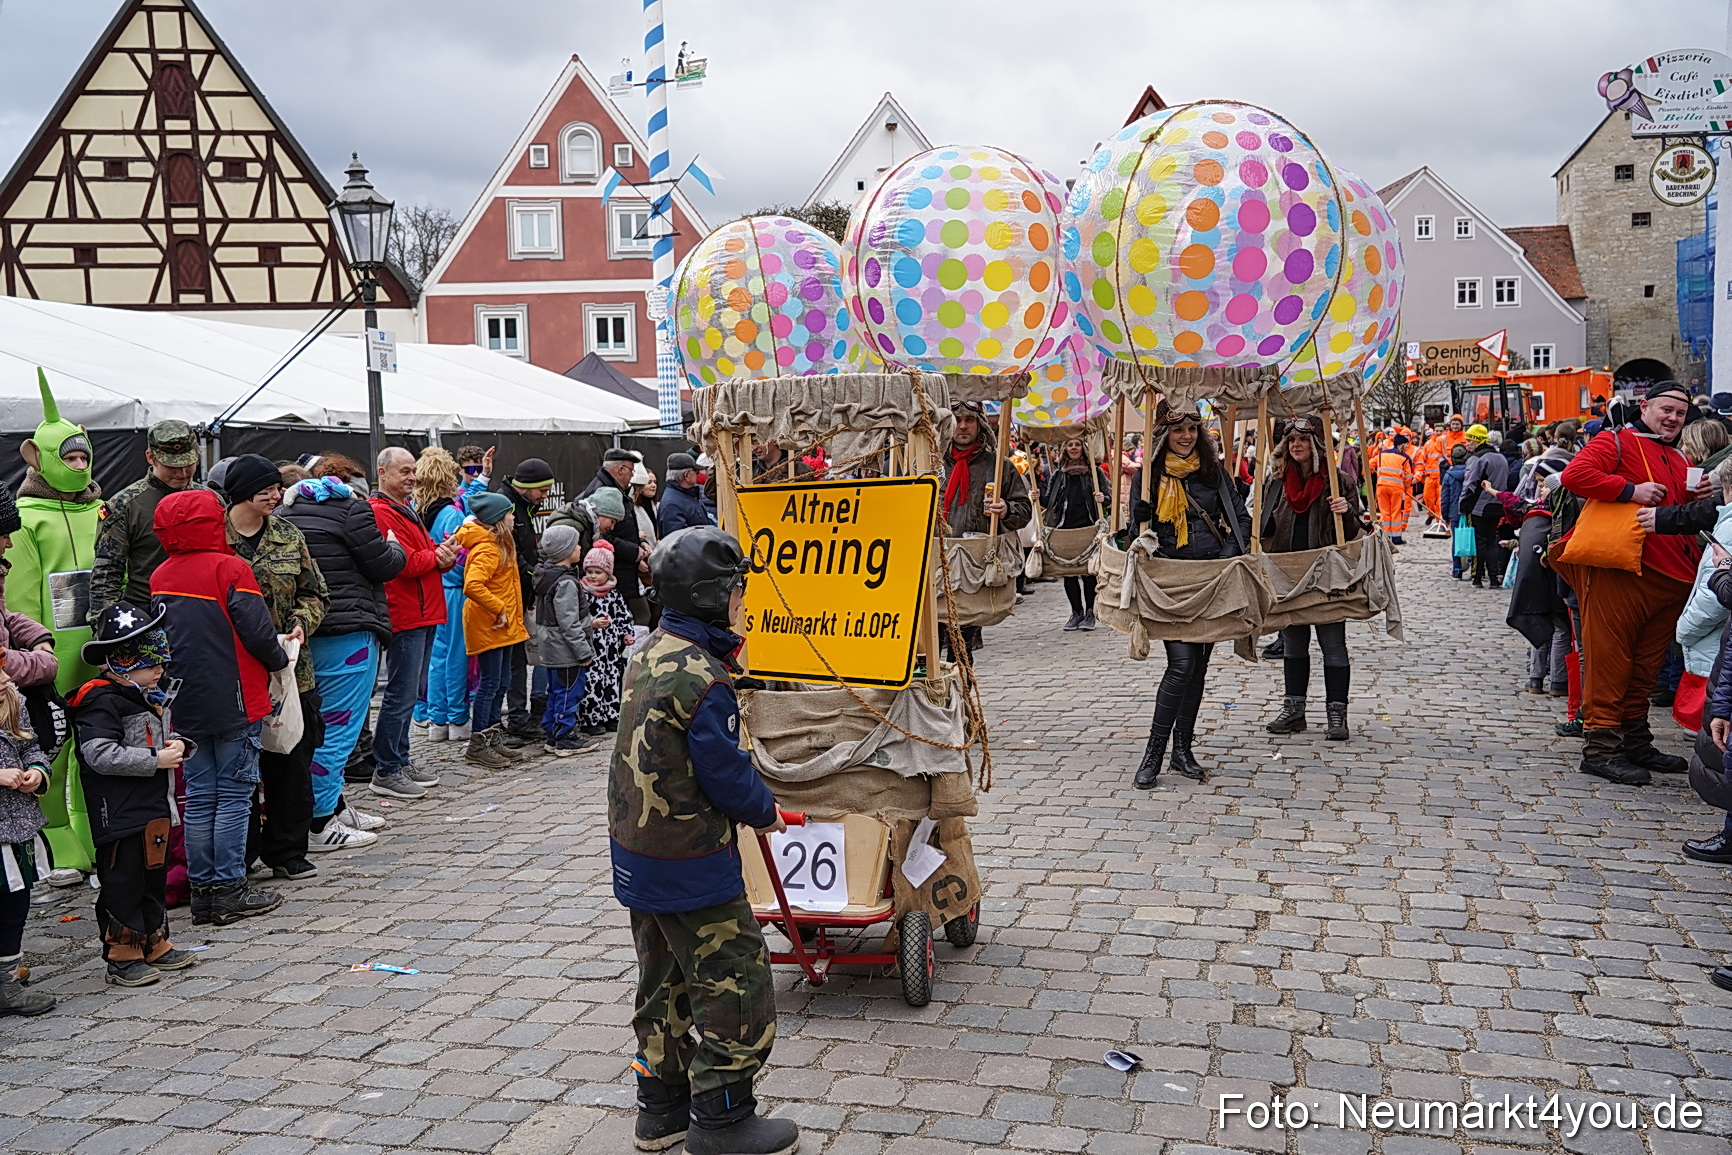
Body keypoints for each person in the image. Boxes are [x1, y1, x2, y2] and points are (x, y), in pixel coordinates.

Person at [611, 526, 795, 1155]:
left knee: (663, 979)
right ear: (713, 596)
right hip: (689, 856)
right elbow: (723, 770)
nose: (744, 600)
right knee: (734, 979)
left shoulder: (650, 649)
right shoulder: (703, 675)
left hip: (638, 854)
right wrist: (764, 811)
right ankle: (722, 1118)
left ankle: (660, 1109)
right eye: (738, 589)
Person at [1553, 384, 1705, 786]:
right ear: (1645, 406)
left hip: (1670, 577)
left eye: (1680, 413)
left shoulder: (1677, 455)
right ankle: (1601, 748)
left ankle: (1635, 740)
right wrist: (1631, 491)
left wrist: (1697, 495)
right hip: (1622, 570)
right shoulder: (1616, 440)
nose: (1673, 418)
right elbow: (1574, 475)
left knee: (1644, 667)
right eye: (1666, 409)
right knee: (1610, 660)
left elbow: (1675, 508)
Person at [151, 488, 290, 925]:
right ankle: (229, 888)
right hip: (235, 697)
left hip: (185, 702)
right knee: (232, 794)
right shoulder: (230, 568)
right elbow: (257, 632)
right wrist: (280, 660)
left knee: (199, 796)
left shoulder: (160, 575)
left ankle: (203, 891)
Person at [219, 455, 338, 876]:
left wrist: (302, 622)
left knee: (292, 761)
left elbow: (316, 592)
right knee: (238, 766)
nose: (275, 496)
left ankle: (287, 852)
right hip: (233, 670)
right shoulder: (214, 538)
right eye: (265, 490)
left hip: (290, 671)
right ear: (241, 493)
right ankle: (241, 854)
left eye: (276, 489)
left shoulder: (288, 534)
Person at [71, 603, 197, 987]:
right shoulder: (99, 700)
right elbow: (98, 753)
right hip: (119, 811)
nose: (160, 669)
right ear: (123, 663)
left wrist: (179, 746)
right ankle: (122, 954)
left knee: (152, 876)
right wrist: (156, 759)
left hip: (154, 806)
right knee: (123, 880)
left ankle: (154, 939)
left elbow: (160, 738)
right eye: (152, 663)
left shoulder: (149, 695)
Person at [279, 463, 405, 843]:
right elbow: (383, 564)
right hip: (349, 633)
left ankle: (332, 805)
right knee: (338, 729)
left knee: (313, 728)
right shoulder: (352, 510)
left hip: (305, 633)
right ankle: (321, 822)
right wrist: (395, 545)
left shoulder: (284, 513)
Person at [11, 371, 103, 885]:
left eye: (83, 457)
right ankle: (56, 842)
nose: (78, 466)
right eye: (69, 458)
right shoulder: (26, 518)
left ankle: (96, 835)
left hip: (100, 647)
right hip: (51, 656)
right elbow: (22, 596)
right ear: (38, 457)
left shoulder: (101, 510)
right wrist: (33, 658)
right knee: (50, 746)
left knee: (99, 743)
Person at [1129, 403, 1250, 787]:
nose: (1186, 436)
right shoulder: (1148, 475)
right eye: (1178, 430)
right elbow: (1132, 533)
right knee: (1180, 665)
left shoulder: (1213, 473)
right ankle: (1154, 753)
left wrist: (1227, 556)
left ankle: (1182, 750)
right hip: (1171, 581)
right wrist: (1139, 518)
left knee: (1198, 667)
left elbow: (1241, 520)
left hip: (1209, 579)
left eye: (1192, 429)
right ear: (1164, 434)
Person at [1260, 416, 1363, 741]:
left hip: (1327, 574)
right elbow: (1265, 529)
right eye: (1291, 440)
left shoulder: (1338, 481)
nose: (1296, 445)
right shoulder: (1277, 482)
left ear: (1317, 444)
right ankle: (1294, 711)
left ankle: (1337, 714)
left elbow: (1353, 532)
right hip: (1289, 573)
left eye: (1303, 440)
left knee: (1333, 644)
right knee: (1293, 644)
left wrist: (1346, 511)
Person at [369, 448, 459, 794]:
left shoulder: (404, 508)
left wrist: (441, 556)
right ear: (383, 473)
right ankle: (387, 768)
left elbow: (420, 556)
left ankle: (399, 759)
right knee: (401, 694)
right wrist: (436, 556)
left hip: (423, 609)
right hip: (407, 613)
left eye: (413, 471)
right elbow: (403, 563)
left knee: (409, 692)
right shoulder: (381, 511)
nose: (412, 477)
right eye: (404, 471)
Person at [87, 421, 205, 622]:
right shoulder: (124, 505)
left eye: (189, 464)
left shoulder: (210, 500)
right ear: (151, 457)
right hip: (147, 610)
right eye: (172, 466)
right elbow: (107, 574)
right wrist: (104, 624)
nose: (182, 473)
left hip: (202, 608)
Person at [941, 402, 1032, 656]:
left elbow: (1024, 511)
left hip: (976, 565)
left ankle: (962, 681)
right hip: (939, 563)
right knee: (932, 646)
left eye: (969, 420)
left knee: (962, 649)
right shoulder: (932, 464)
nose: (962, 426)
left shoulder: (999, 466)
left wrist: (1006, 510)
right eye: (957, 420)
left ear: (979, 424)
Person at [454, 492, 530, 767]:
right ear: (498, 519)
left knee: (502, 682)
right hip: (489, 624)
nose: (513, 517)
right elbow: (473, 585)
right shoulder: (487, 548)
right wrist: (499, 608)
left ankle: (493, 737)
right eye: (509, 513)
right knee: (489, 684)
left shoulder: (500, 543)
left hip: (503, 625)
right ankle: (478, 744)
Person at [0, 674, 53, 1016]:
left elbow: (31, 746)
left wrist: (36, 770)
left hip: (16, 826)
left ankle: (6, 983)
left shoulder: (12, 700)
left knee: (14, 906)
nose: (7, 677)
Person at [413, 448, 473, 742]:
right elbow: (462, 559)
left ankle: (436, 719)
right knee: (456, 656)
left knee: (436, 657)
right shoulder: (452, 515)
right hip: (454, 591)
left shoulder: (415, 511)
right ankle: (457, 717)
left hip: (430, 590)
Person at [530, 525, 597, 757]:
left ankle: (552, 734)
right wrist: (583, 651)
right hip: (565, 650)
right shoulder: (566, 582)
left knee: (557, 691)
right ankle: (565, 737)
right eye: (576, 544)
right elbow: (568, 622)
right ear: (566, 550)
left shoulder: (547, 576)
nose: (579, 547)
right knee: (569, 692)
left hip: (551, 648)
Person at [504, 458, 556, 741]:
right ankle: (516, 718)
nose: (545, 496)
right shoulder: (508, 507)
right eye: (542, 490)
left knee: (524, 656)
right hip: (511, 595)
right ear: (526, 486)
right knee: (515, 661)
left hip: (524, 592)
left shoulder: (525, 505)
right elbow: (514, 555)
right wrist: (537, 576)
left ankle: (524, 715)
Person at [1041, 435, 1107, 631]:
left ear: (1083, 448)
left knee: (1088, 573)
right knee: (1068, 574)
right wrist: (1036, 496)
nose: (1074, 447)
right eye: (1070, 444)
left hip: (1088, 526)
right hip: (1065, 528)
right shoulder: (1059, 475)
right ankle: (1076, 612)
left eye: (1077, 444)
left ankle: (1090, 613)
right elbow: (1049, 502)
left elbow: (1108, 497)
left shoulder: (1094, 472)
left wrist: (1103, 498)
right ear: (1065, 449)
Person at [582, 449, 650, 625]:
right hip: (613, 573)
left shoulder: (617, 489)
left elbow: (622, 529)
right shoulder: (602, 491)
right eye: (631, 471)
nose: (632, 476)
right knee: (624, 619)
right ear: (621, 469)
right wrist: (633, 551)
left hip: (623, 571)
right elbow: (602, 536)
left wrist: (640, 542)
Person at [577, 546, 636, 736]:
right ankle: (590, 718)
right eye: (589, 571)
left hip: (612, 648)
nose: (593, 576)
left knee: (612, 680)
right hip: (592, 647)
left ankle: (611, 715)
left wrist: (626, 633)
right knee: (592, 682)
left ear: (608, 573)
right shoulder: (583, 593)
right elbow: (577, 616)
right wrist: (592, 624)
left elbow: (623, 615)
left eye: (598, 572)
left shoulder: (614, 593)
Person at [1459, 424, 1509, 587]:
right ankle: (1494, 577)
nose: (1467, 443)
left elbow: (1469, 483)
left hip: (1479, 505)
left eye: (1470, 440)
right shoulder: (1501, 457)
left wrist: (1463, 505)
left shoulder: (1477, 458)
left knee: (1479, 542)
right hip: (1497, 503)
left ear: (1477, 440)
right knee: (1491, 541)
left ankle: (1478, 576)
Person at [657, 452, 714, 538]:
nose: (698, 474)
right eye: (696, 471)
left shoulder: (688, 496)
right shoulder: (672, 505)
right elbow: (677, 542)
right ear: (687, 475)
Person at [1372, 433, 1416, 544]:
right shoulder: (1405, 458)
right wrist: (1407, 490)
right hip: (1396, 489)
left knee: (1384, 513)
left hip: (1381, 487)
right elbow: (1408, 477)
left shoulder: (1381, 454)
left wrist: (1378, 473)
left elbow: (1370, 464)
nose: (1407, 446)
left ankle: (1385, 538)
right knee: (1395, 512)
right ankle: (1396, 538)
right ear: (1402, 444)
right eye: (1406, 444)